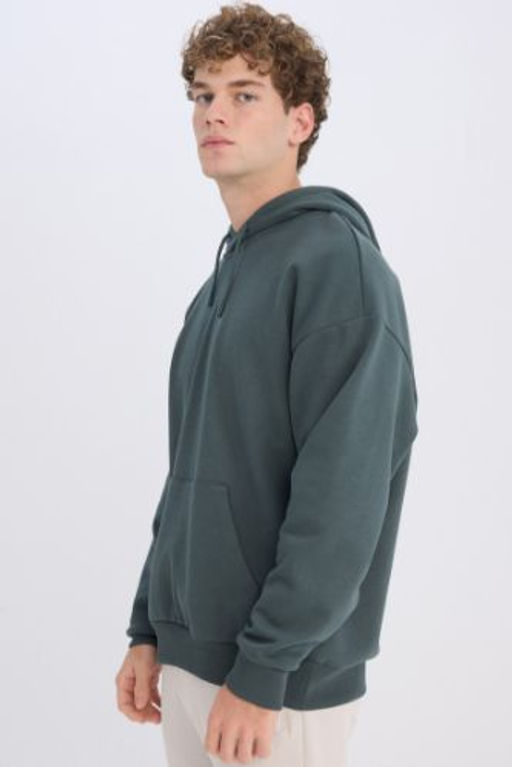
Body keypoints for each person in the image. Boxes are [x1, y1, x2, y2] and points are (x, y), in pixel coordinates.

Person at [115, 3, 419, 765]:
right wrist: (149, 625)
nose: (213, 113)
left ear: (299, 121)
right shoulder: (225, 278)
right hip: (195, 661)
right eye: (202, 95)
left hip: (277, 685)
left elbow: (343, 496)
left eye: (244, 94)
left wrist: (265, 667)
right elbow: (191, 473)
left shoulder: (338, 269)